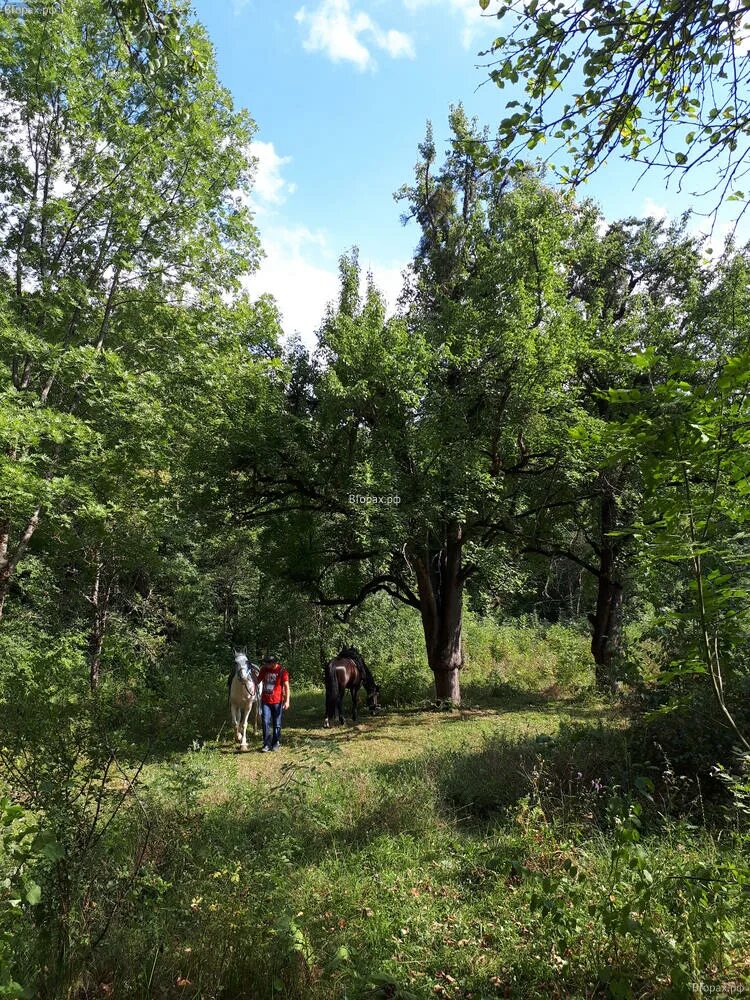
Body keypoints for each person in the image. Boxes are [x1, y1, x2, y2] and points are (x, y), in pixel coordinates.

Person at [257, 653, 290, 752]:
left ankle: (275, 743)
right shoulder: (264, 669)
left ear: (273, 663)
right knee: (265, 722)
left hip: (277, 701)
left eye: (267, 663)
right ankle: (266, 744)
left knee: (277, 723)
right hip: (265, 701)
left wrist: (287, 701)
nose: (266, 665)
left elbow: (286, 687)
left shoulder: (282, 671)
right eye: (265, 663)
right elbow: (258, 681)